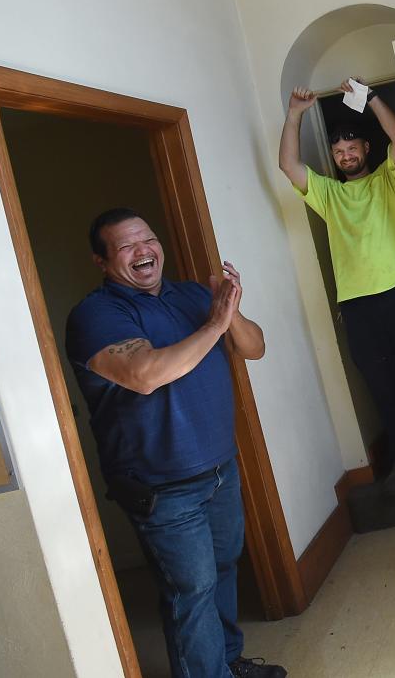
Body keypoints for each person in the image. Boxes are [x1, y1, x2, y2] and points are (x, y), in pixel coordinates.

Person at [65, 208, 286, 678]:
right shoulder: (97, 315)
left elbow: (254, 347)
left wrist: (232, 311)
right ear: (102, 261)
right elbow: (145, 375)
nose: (142, 251)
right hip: (161, 484)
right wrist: (213, 325)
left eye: (147, 239)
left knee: (224, 569)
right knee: (193, 589)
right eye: (125, 246)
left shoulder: (190, 294)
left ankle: (228, 663)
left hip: (219, 467)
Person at [278, 77, 395, 497]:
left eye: (352, 149)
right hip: (358, 306)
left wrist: (371, 98)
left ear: (365, 150)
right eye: (338, 151)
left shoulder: (387, 181)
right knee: (384, 388)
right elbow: (289, 166)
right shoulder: (327, 195)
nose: (345, 155)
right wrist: (294, 115)